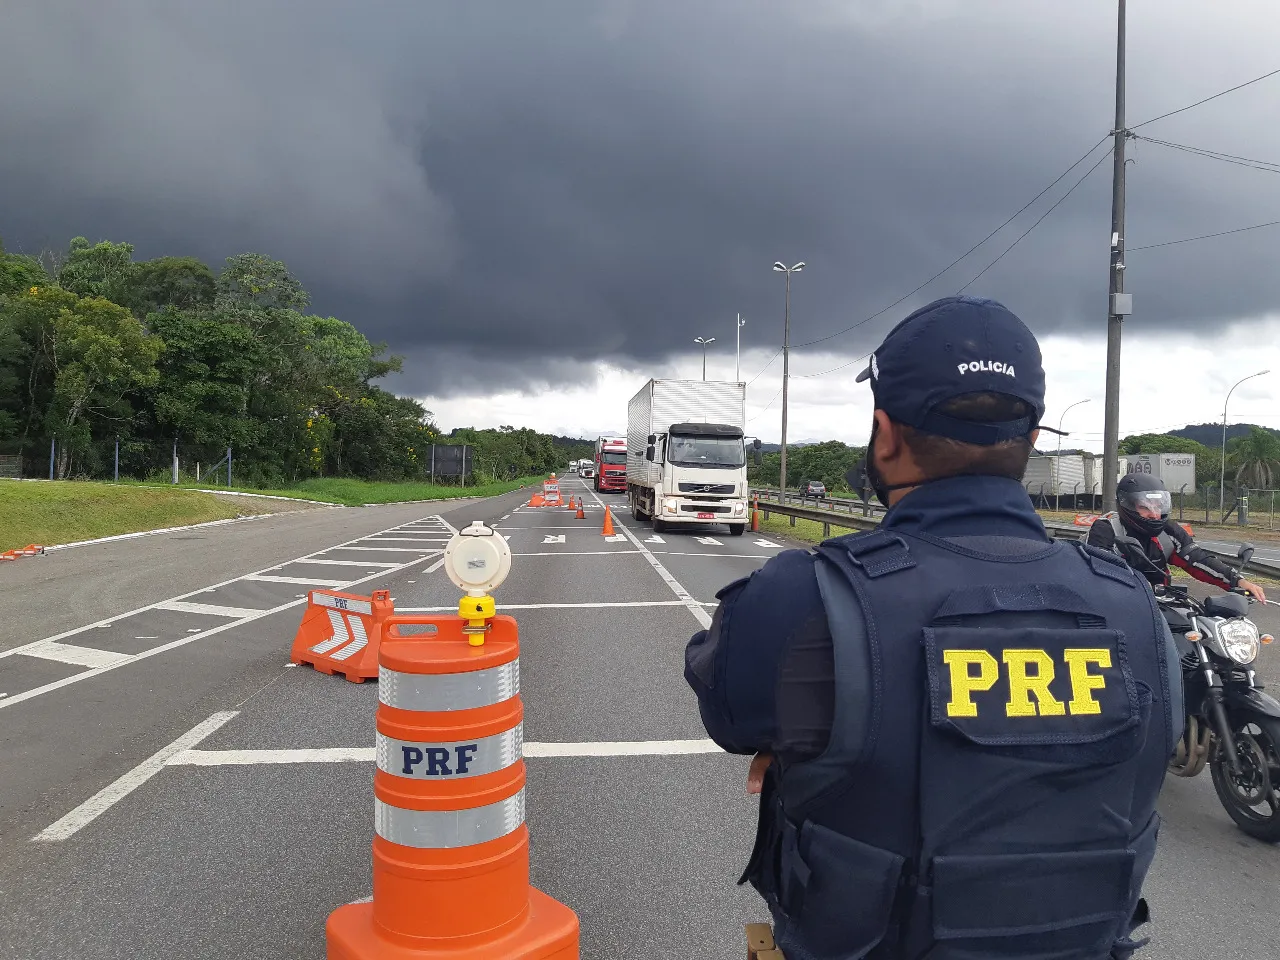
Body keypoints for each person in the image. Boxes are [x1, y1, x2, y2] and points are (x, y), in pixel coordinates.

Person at [685, 296, 1182, 960]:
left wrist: (830, 742)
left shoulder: (807, 598)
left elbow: (730, 710)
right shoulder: (1133, 607)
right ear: (1032, 440)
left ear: (885, 435)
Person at [1087, 472, 1267, 603]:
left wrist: (1238, 581)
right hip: (1111, 603)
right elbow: (1101, 571)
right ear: (1126, 505)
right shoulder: (1106, 529)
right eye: (1145, 507)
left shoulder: (1169, 531)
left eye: (1158, 506)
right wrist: (1137, 586)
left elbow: (1197, 559)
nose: (1154, 514)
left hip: (1158, 602)